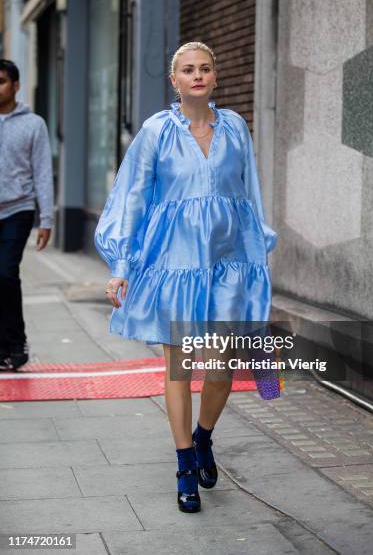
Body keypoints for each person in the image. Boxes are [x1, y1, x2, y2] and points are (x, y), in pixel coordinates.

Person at [94, 42, 277, 513]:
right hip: (174, 262)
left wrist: (259, 253)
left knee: (220, 367)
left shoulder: (236, 127)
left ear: (215, 77)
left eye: (205, 69)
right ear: (173, 81)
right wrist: (121, 265)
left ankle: (203, 438)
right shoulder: (156, 132)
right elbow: (132, 198)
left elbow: (250, 192)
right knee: (180, 365)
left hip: (228, 260)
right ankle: (182, 466)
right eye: (187, 70)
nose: (197, 75)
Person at [0, 59, 54, 370]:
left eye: (2, 81)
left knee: (6, 273)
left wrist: (46, 219)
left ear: (16, 86)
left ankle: (16, 343)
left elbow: (43, 172)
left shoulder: (34, 124)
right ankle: (3, 346)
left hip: (18, 208)